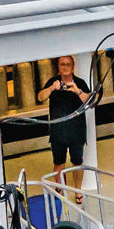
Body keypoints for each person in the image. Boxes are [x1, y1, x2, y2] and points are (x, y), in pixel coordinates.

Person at [39, 55, 89, 190]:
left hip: (76, 131)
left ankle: (78, 190)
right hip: (58, 131)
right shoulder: (53, 82)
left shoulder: (80, 82)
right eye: (62, 64)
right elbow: (40, 97)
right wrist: (51, 89)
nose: (65, 67)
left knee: (77, 162)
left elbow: (90, 101)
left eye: (68, 64)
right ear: (58, 67)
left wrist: (77, 91)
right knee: (59, 162)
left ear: (73, 67)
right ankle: (61, 189)